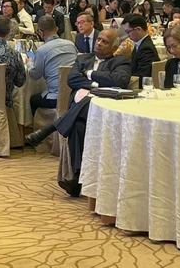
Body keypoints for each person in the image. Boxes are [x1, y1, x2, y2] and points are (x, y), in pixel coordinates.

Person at [25, 29, 131, 195]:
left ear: (114, 47)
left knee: (88, 102)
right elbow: (72, 79)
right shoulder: (83, 58)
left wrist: (89, 74)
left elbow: (120, 80)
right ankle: (77, 178)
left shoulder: (120, 62)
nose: (99, 43)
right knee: (77, 126)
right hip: (81, 112)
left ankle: (51, 129)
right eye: (99, 40)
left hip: (101, 110)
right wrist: (98, 83)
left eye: (105, 42)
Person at [28, 15, 79, 114]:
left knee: (33, 100)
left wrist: (29, 62)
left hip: (55, 97)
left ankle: (41, 128)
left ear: (40, 32)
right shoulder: (71, 44)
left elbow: (35, 75)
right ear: (56, 29)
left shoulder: (42, 50)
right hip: (74, 94)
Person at [121, 14, 159, 79]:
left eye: (128, 32)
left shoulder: (146, 49)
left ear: (138, 30)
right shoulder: (140, 44)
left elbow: (142, 75)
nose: (128, 35)